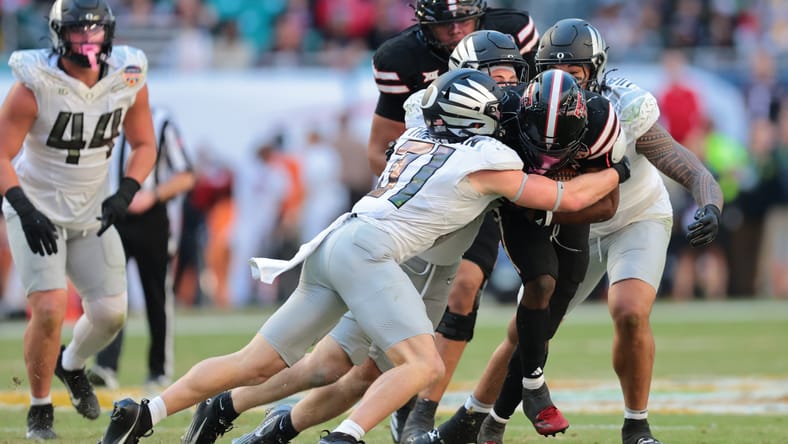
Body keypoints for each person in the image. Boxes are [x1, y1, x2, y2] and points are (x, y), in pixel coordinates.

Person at [99, 68, 629, 444]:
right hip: (371, 254)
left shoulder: (418, 134)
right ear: (476, 120)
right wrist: (617, 164)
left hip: (336, 243)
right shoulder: (485, 159)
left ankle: (144, 414)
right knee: (422, 364)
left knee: (253, 362)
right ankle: (347, 437)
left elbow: (434, 105)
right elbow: (570, 198)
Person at [177, 37, 542, 444]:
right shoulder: (444, 119)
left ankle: (265, 422)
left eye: (513, 75)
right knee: (359, 365)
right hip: (405, 252)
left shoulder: (482, 123)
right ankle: (362, 425)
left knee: (345, 370)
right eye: (498, 75)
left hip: (428, 253)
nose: (507, 87)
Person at [450, 18, 723, 444]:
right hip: (568, 221)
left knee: (629, 310)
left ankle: (637, 425)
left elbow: (679, 160)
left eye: (574, 75)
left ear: (594, 72)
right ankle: (480, 419)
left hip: (633, 216)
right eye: (551, 73)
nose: (561, 82)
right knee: (525, 330)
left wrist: (710, 201)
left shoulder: (622, 105)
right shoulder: (534, 102)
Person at [413, 68, 627, 444]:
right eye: (537, 144)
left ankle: (488, 424)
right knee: (541, 281)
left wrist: (548, 211)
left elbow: (607, 204)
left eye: (559, 147)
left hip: (565, 202)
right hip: (518, 203)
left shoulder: (599, 121)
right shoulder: (501, 115)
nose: (546, 157)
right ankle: (534, 387)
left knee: (554, 309)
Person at [374, 5, 540, 437]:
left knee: (476, 290)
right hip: (449, 186)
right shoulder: (403, 63)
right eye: (444, 23)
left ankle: (420, 413)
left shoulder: (512, 33)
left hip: (508, 175)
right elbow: (383, 145)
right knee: (435, 300)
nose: (454, 30)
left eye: (464, 20)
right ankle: (403, 401)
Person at [0, 0, 156, 439]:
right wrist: (23, 206)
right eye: (77, 31)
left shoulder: (129, 75)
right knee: (49, 309)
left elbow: (144, 144)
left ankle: (71, 364)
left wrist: (126, 191)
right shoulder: (36, 84)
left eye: (95, 31)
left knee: (111, 313)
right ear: (57, 35)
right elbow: (1, 152)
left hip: (90, 207)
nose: (87, 41)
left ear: (109, 33)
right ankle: (39, 409)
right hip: (36, 207)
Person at [87, 107, 195, 390]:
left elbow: (187, 174)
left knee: (156, 295)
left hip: (151, 218)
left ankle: (159, 369)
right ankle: (106, 365)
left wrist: (153, 195)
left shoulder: (160, 120)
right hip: (113, 214)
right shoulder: (101, 116)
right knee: (110, 292)